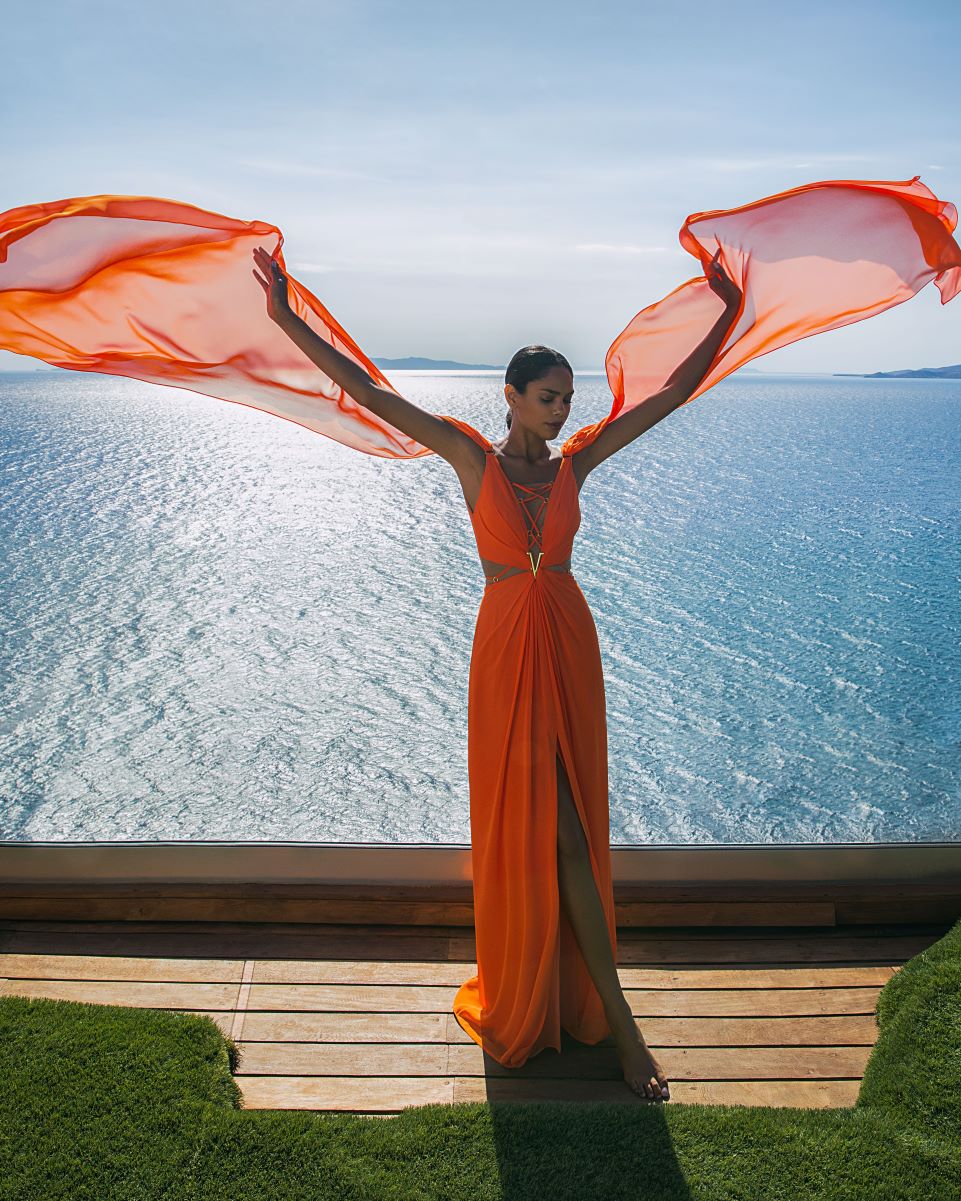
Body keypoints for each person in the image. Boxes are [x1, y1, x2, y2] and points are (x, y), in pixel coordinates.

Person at [252, 244, 741, 1101]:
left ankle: (608, 1018)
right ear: (510, 396)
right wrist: (287, 318)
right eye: (547, 397)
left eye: (566, 400)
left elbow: (668, 397)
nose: (559, 412)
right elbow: (370, 393)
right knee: (546, 833)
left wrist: (726, 315)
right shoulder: (471, 459)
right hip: (506, 650)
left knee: (571, 832)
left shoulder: (575, 464)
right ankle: (614, 1027)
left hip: (566, 644)